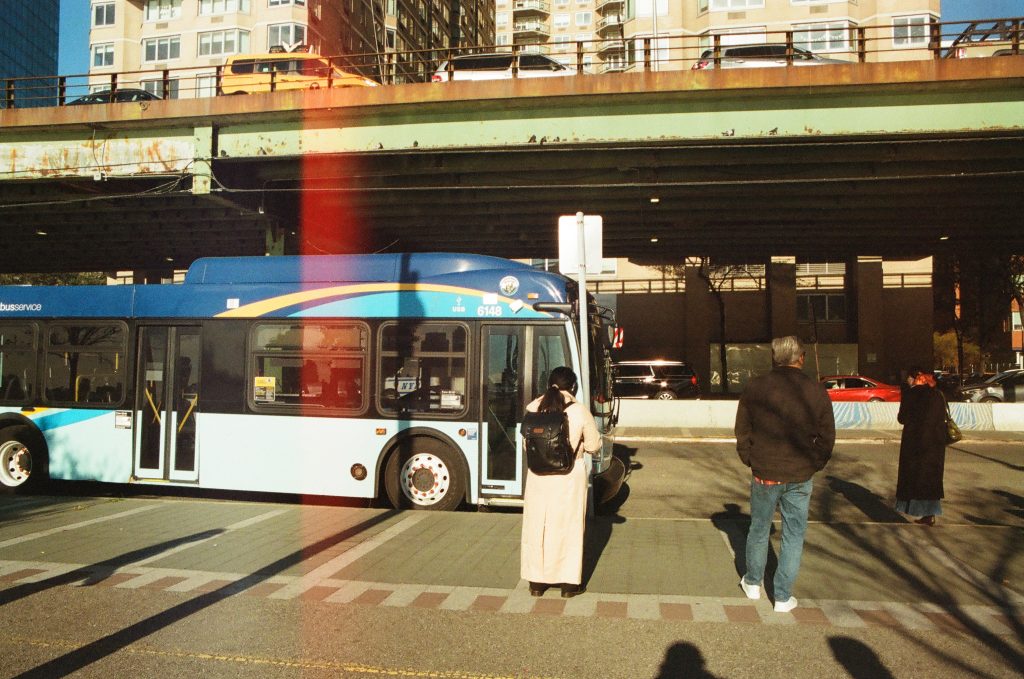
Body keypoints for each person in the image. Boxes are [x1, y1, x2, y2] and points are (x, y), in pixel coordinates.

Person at [734, 336, 835, 613]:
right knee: (793, 534)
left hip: (764, 471)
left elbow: (742, 429)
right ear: (800, 358)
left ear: (773, 358)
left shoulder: (756, 388)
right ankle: (781, 596)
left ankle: (753, 583)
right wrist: (814, 464)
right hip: (800, 474)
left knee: (758, 528)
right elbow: (827, 437)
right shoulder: (815, 390)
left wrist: (750, 458)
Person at [520, 366, 601, 598]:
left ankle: (536, 583)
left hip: (537, 476)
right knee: (568, 527)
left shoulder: (533, 407)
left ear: (549, 384)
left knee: (538, 526)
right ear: (573, 387)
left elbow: (527, 442)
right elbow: (594, 446)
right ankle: (568, 585)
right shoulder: (579, 411)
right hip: (569, 476)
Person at [895, 370, 948, 526]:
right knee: (931, 478)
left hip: (914, 443)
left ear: (919, 379)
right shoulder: (938, 395)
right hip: (934, 444)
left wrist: (908, 391)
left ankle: (914, 510)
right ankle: (930, 514)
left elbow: (902, 418)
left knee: (913, 478)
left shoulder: (911, 394)